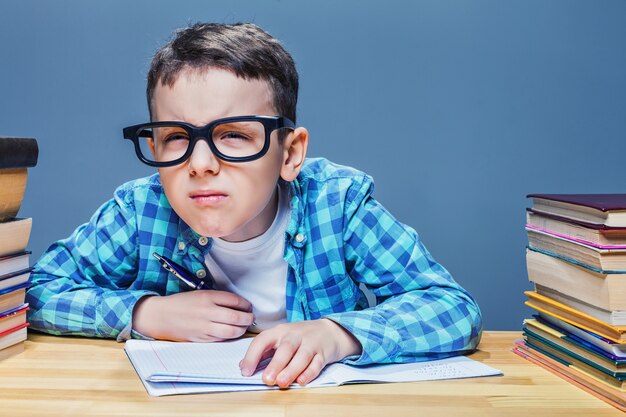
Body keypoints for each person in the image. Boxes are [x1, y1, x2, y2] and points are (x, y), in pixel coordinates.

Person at [27, 22, 482, 389]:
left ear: (289, 154)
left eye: (234, 136)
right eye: (176, 138)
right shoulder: (141, 210)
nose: (200, 164)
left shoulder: (337, 205)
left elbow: (453, 308)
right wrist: (146, 312)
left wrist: (337, 334)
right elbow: (37, 291)